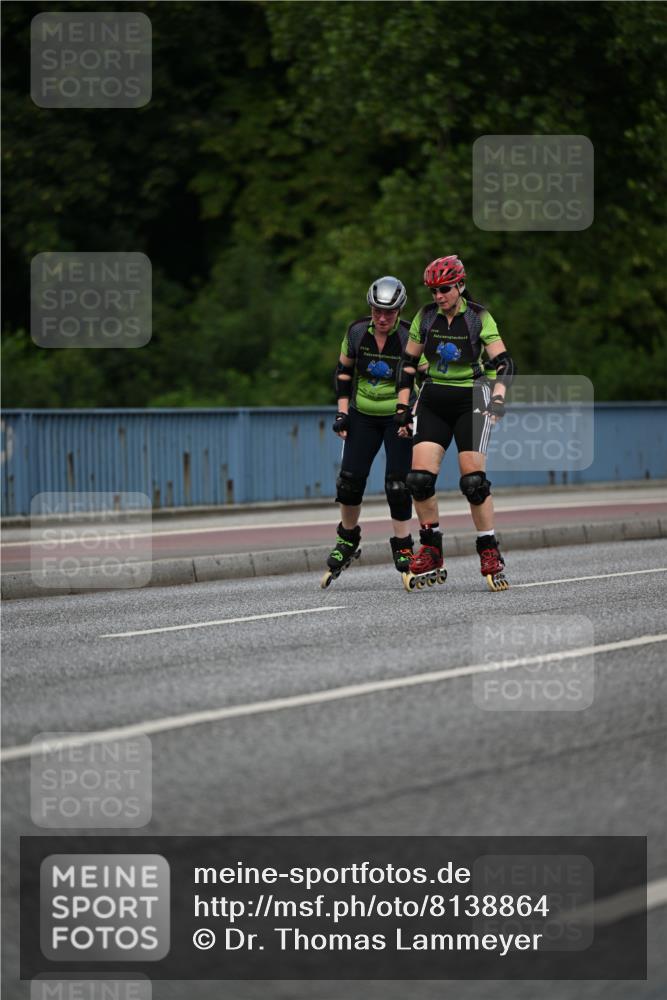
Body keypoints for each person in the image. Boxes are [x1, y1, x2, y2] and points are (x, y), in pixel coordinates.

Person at [394, 254, 516, 591]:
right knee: (418, 480)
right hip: (434, 398)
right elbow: (408, 363)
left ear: (460, 285)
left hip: (472, 398)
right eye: (433, 290)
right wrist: (402, 407)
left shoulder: (479, 317)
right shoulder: (425, 316)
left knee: (473, 483)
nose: (438, 296)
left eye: (444, 289)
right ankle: (431, 548)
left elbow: (505, 363)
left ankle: (489, 548)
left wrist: (499, 398)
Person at [322, 275, 424, 587]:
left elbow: (427, 378)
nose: (382, 318)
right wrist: (342, 413)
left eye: (389, 312)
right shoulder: (356, 332)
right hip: (362, 414)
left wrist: (412, 412)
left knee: (398, 484)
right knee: (349, 481)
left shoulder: (409, 336)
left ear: (399, 310)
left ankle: (403, 546)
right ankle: (347, 538)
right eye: (377, 311)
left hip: (398, 416)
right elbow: (343, 372)